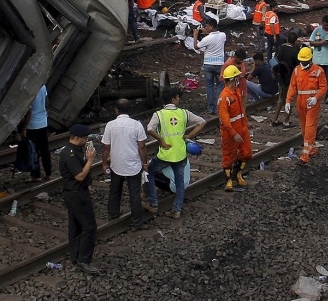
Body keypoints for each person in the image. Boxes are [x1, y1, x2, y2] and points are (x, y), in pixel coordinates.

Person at [145, 89, 205, 220]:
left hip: (165, 154)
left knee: (149, 172)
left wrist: (160, 140)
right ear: (173, 99)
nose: (180, 100)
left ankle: (153, 204)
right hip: (180, 154)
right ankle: (176, 210)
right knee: (179, 182)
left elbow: (149, 129)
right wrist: (189, 135)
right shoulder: (184, 113)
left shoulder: (159, 114)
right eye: (178, 98)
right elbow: (202, 122)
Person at [103, 98, 151, 226]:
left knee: (115, 190)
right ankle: (137, 222)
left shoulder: (110, 125)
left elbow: (106, 147)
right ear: (129, 110)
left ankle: (113, 214)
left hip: (116, 164)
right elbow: (142, 146)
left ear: (116, 110)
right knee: (134, 194)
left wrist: (104, 163)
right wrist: (145, 163)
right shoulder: (137, 125)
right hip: (133, 165)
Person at [59, 124, 99, 274]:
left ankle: (75, 256)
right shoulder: (70, 154)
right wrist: (90, 160)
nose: (87, 140)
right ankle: (84, 260)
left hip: (73, 193)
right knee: (89, 226)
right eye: (85, 138)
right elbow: (79, 176)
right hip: (77, 194)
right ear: (77, 138)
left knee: (75, 226)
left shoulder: (73, 150)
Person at [286, 47, 327, 166]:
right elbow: (292, 87)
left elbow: (323, 87)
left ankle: (305, 155)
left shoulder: (318, 71)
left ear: (310, 59)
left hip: (312, 103)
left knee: (310, 127)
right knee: (304, 128)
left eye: (305, 61)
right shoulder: (297, 71)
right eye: (301, 61)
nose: (303, 63)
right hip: (301, 101)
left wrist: (316, 97)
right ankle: (312, 148)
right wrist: (288, 101)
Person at [219, 65, 252, 192]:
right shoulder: (224, 97)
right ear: (232, 79)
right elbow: (225, 120)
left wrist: (246, 122)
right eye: (237, 77)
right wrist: (234, 134)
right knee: (228, 157)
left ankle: (237, 174)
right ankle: (229, 180)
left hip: (242, 128)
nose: (238, 79)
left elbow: (241, 110)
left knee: (247, 153)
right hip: (230, 132)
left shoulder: (236, 92)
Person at [19, 84, 51, 180]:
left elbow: (29, 112)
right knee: (45, 150)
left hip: (32, 126)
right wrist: (45, 112)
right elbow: (47, 101)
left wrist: (24, 128)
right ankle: (48, 174)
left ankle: (36, 176)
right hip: (43, 123)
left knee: (34, 151)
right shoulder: (43, 86)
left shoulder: (29, 90)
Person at [196, 18, 227, 115]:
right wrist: (207, 33)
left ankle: (211, 109)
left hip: (208, 65)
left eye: (206, 26)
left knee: (209, 87)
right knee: (220, 85)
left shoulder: (206, 39)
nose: (205, 28)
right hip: (219, 65)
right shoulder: (223, 35)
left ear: (211, 27)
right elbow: (215, 40)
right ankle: (219, 107)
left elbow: (196, 47)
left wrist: (195, 35)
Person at [307, 16, 328, 103]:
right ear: (322, 23)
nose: (327, 27)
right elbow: (311, 42)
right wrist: (321, 43)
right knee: (315, 79)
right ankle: (315, 96)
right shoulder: (317, 30)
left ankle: (327, 96)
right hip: (317, 60)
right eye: (325, 25)